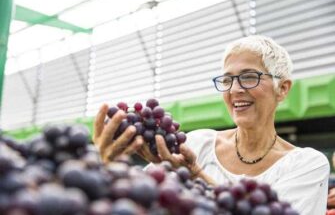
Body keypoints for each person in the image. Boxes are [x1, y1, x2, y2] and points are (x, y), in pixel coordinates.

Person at [93, 35, 330, 215]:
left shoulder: (306, 164)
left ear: (283, 89)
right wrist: (107, 165)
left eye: (249, 76)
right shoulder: (198, 143)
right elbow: (135, 200)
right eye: (227, 80)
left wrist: (197, 174)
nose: (235, 90)